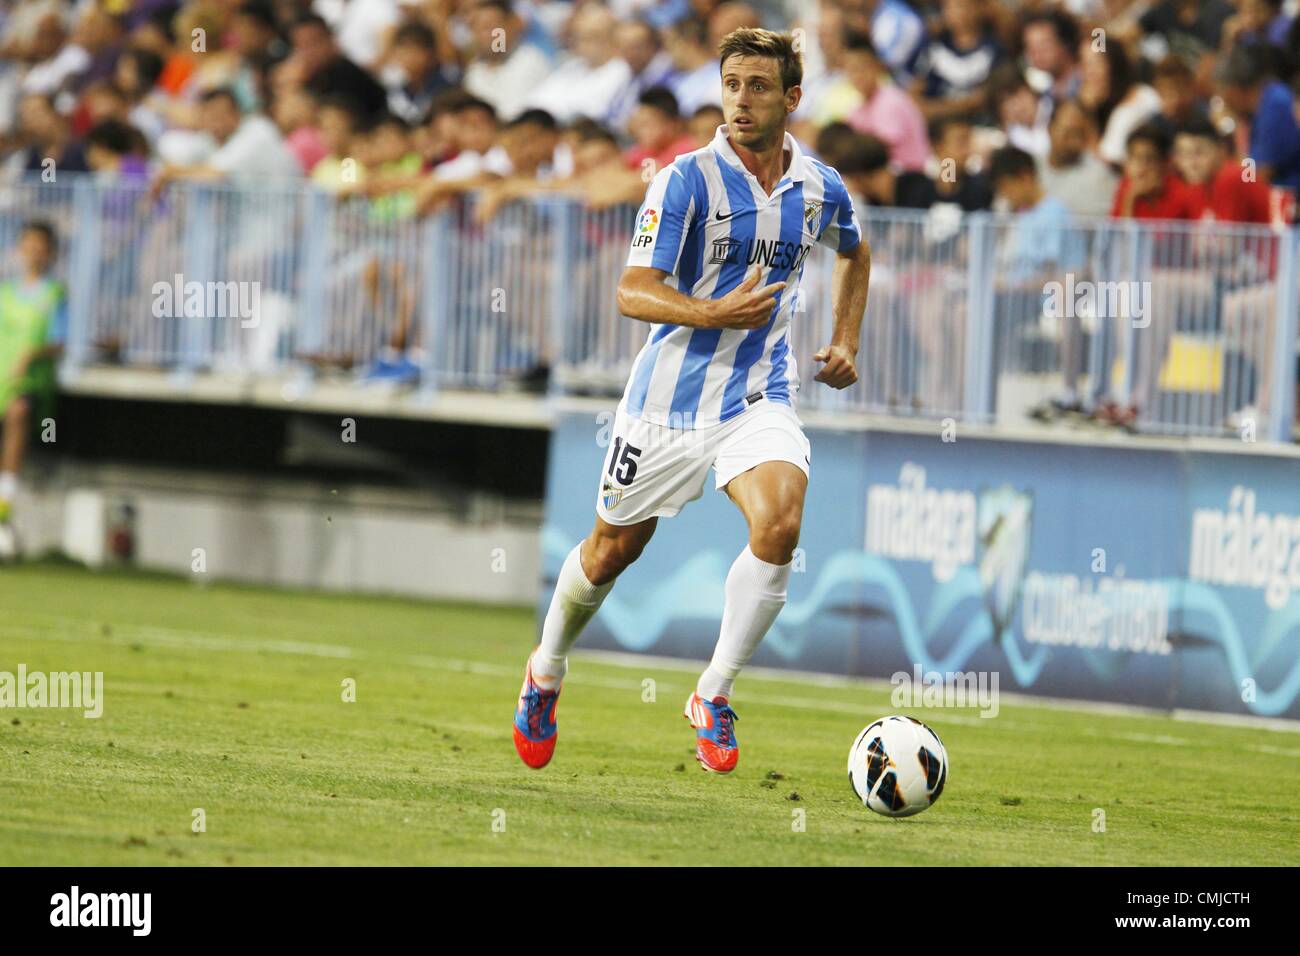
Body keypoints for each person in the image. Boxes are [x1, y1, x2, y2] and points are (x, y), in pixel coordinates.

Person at [513, 27, 871, 775]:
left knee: (780, 523)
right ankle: (546, 669)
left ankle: (713, 693)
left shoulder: (818, 185)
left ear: (792, 98)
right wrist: (713, 312)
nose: (742, 99)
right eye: (732, 83)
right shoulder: (683, 180)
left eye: (759, 86)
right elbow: (632, 290)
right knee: (612, 551)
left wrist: (845, 339)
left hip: (758, 393)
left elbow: (854, 248)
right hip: (665, 407)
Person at [0, 220, 66, 541]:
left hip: (29, 382)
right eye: (29, 245)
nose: (34, 252)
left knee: (18, 413)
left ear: (51, 253)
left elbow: (60, 341)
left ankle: (4, 510)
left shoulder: (54, 293)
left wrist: (30, 355)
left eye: (41, 247)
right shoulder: (6, 292)